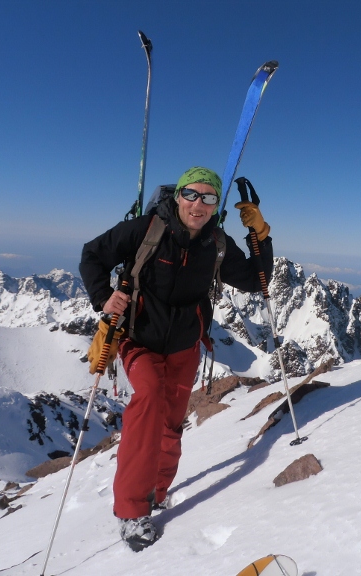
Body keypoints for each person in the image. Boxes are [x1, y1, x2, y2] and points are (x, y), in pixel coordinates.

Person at [79, 166, 273, 551]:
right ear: (178, 196)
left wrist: (260, 234)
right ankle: (132, 511)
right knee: (149, 401)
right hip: (140, 339)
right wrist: (104, 298)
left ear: (216, 205)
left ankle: (157, 489)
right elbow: (92, 255)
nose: (198, 205)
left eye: (209, 198)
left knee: (171, 421)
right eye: (192, 195)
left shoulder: (216, 242)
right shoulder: (146, 230)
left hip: (185, 345)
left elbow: (258, 279)